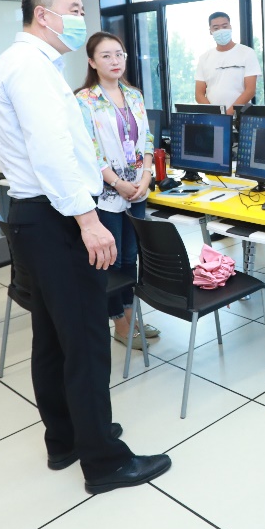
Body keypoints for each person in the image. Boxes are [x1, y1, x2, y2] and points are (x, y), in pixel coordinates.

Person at [0, 0, 170, 494]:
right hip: (58, 218)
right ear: (43, 14)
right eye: (73, 9)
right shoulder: (32, 68)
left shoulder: (22, 63)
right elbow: (52, 153)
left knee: (52, 337)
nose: (80, 19)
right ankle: (105, 462)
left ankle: (66, 438)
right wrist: (88, 220)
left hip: (35, 216)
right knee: (87, 341)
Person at [75, 31, 161, 349]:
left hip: (137, 188)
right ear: (92, 62)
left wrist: (146, 176)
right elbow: (89, 150)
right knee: (110, 261)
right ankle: (120, 325)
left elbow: (147, 139)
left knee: (130, 256)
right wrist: (117, 182)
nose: (115, 61)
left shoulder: (134, 95)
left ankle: (131, 315)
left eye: (119, 54)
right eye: (106, 55)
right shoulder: (84, 100)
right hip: (108, 192)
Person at [194, 11, 260, 114]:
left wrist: (229, 114)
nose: (221, 31)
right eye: (216, 28)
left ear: (230, 27)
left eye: (224, 26)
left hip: (241, 115)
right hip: (214, 117)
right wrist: (215, 114)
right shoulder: (204, 58)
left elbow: (250, 90)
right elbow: (199, 94)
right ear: (210, 31)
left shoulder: (247, 53)